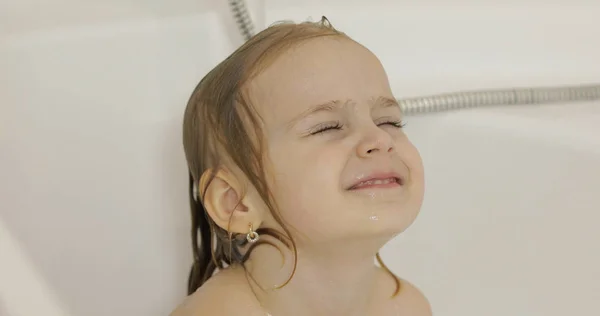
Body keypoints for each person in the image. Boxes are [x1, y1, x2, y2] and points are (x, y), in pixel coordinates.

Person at [172, 16, 430, 316]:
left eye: (389, 121)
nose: (380, 138)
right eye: (327, 127)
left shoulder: (406, 306)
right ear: (236, 203)